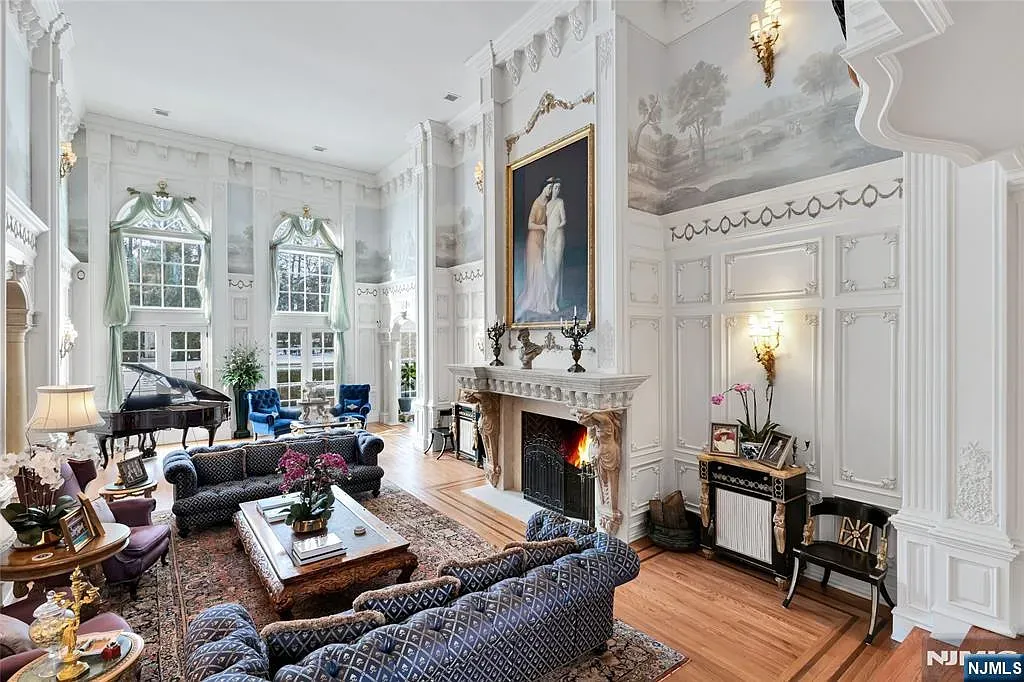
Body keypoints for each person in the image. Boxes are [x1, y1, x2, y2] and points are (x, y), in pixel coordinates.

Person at [515, 180, 555, 317]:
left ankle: (543, 302)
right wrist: (542, 226)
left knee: (542, 268)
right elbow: (530, 224)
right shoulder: (537, 203)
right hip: (533, 241)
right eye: (549, 188)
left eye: (551, 188)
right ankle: (538, 304)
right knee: (538, 270)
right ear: (544, 187)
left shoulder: (547, 204)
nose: (550, 191)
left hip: (541, 239)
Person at [543, 179, 566, 313]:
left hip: (558, 238)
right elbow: (546, 222)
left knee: (556, 271)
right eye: (555, 187)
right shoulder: (547, 204)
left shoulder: (560, 202)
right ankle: (549, 301)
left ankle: (555, 302)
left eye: (559, 188)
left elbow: (564, 220)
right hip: (549, 239)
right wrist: (547, 234)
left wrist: (556, 227)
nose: (557, 190)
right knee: (549, 272)